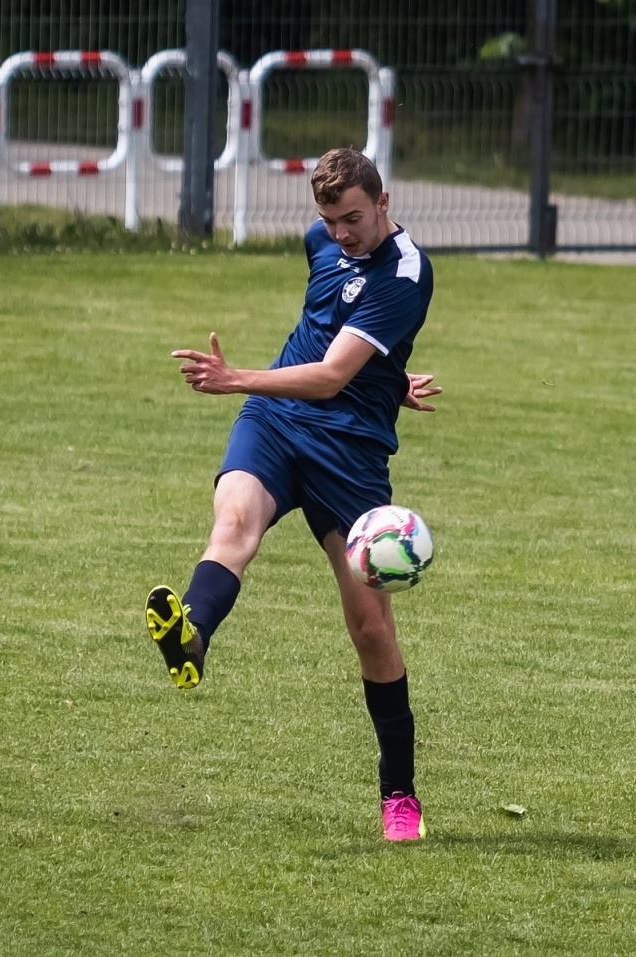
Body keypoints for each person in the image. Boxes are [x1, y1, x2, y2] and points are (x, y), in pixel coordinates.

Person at [146, 148, 440, 842]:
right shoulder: (321, 244)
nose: (341, 234)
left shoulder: (407, 272)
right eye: (330, 220)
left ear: (384, 201)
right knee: (233, 528)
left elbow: (337, 374)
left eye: (354, 219)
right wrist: (391, 375)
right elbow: (329, 323)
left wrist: (238, 377)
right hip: (277, 423)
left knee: (371, 630)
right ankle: (191, 640)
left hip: (349, 451)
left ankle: (399, 795)